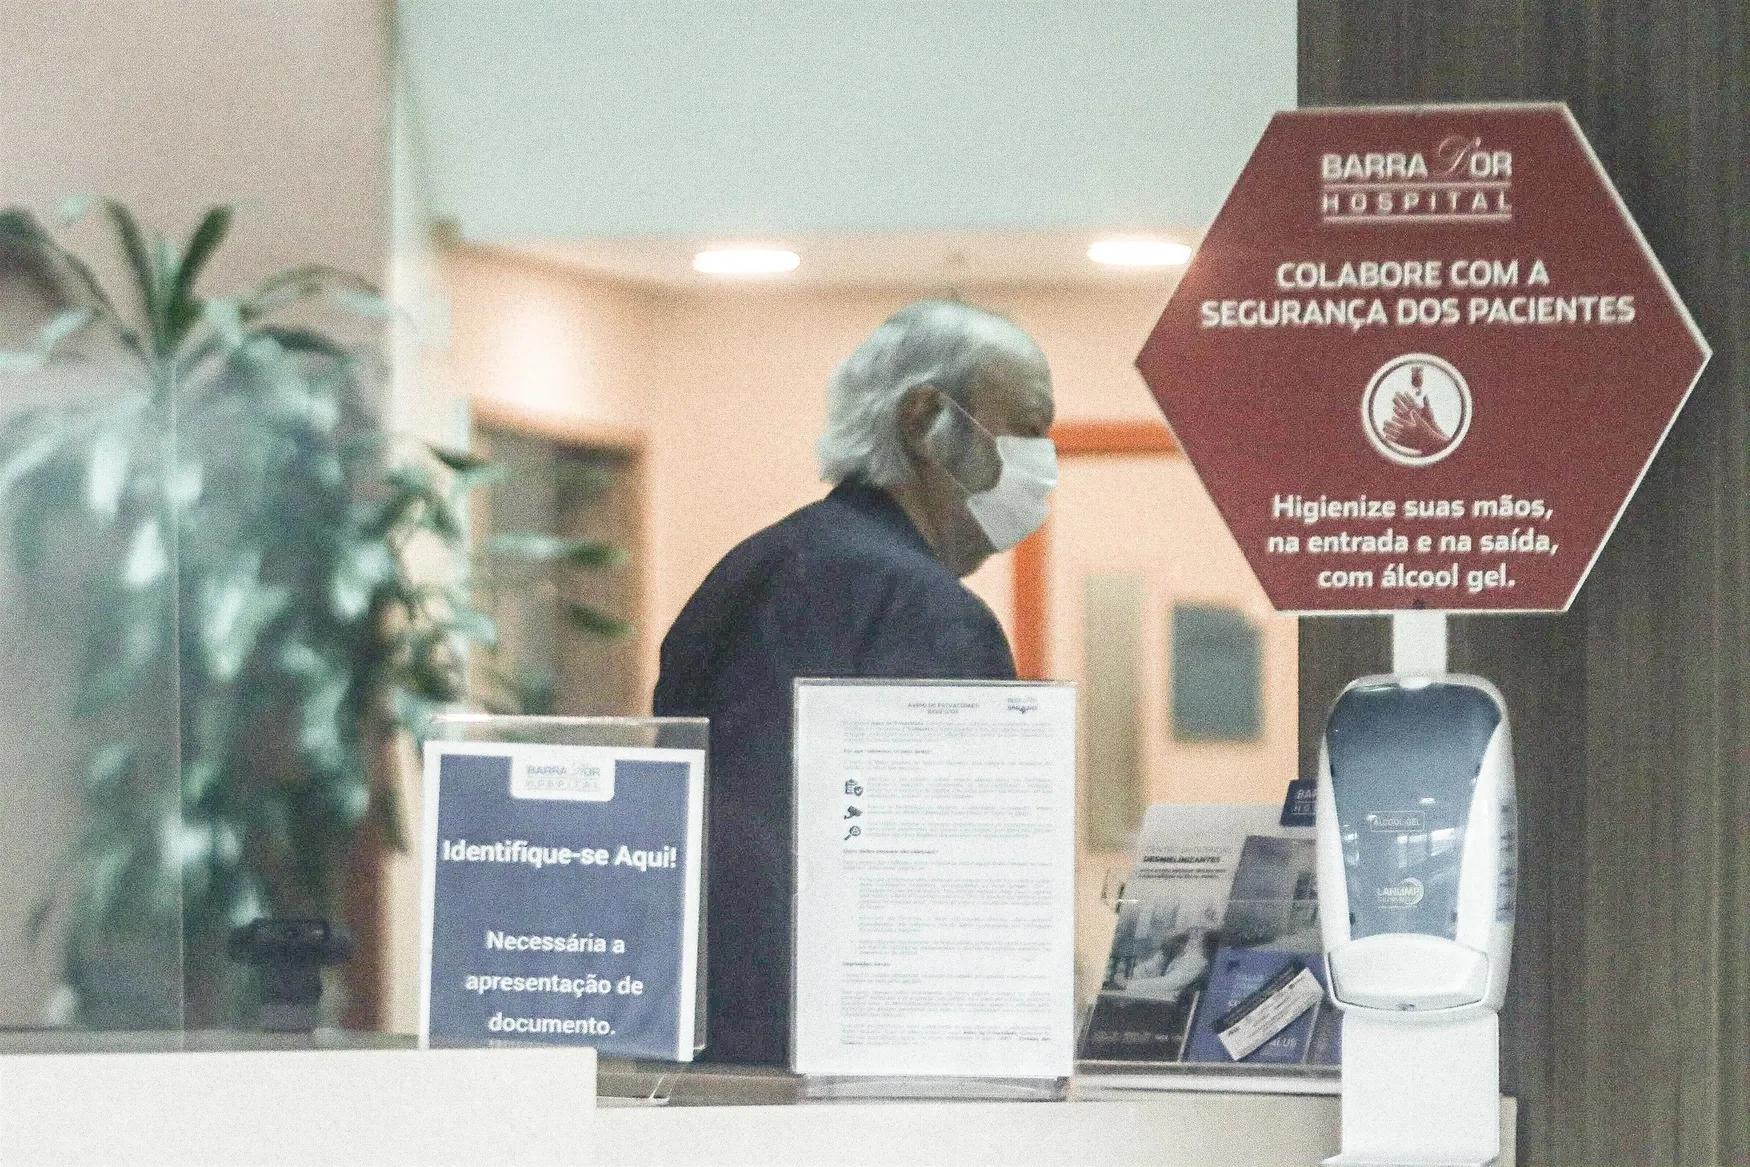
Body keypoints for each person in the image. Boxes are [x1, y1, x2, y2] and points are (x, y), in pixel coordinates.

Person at [652, 299, 1057, 1064]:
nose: (1046, 461)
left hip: (712, 1046)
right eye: (1029, 426)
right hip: (874, 1062)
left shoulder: (743, 573)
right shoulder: (935, 616)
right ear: (923, 417)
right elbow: (968, 901)